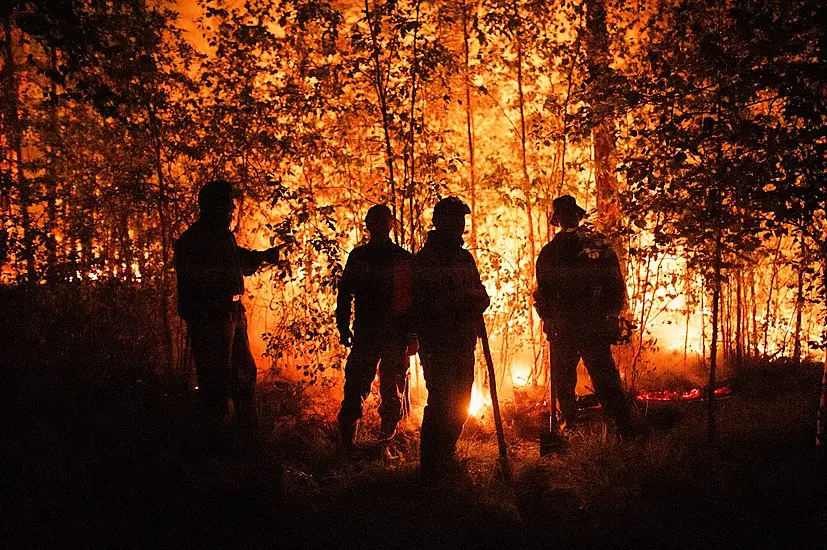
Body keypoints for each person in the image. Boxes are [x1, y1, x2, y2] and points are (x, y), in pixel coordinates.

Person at [174, 179, 284, 434]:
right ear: (213, 206)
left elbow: (237, 261)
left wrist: (262, 256)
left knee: (243, 373)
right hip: (214, 316)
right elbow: (226, 266)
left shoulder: (220, 236)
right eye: (227, 204)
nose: (233, 208)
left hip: (232, 313)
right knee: (216, 379)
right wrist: (258, 258)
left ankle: (244, 433)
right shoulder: (194, 241)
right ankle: (218, 439)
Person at [534, 195, 633, 436]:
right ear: (556, 219)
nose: (567, 218)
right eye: (562, 214)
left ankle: (623, 430)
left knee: (606, 380)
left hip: (592, 327)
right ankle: (569, 430)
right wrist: (548, 318)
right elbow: (542, 293)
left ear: (578, 216)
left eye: (570, 214)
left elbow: (615, 286)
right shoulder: (549, 254)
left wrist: (610, 315)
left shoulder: (597, 248)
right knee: (564, 384)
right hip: (564, 328)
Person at [413, 197, 489, 475]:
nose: (460, 226)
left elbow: (480, 292)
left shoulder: (464, 258)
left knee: (460, 403)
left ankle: (446, 455)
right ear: (438, 222)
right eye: (454, 220)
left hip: (463, 343)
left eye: (461, 220)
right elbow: (423, 304)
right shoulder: (425, 260)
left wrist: (477, 298)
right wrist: (461, 299)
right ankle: (431, 466)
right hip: (438, 344)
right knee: (441, 403)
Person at [336, 205, 417, 446]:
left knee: (389, 393)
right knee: (358, 388)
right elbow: (345, 293)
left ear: (388, 225)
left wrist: (412, 334)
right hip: (373, 334)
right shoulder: (367, 257)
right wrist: (342, 324)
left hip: (389, 335)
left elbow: (412, 299)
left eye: (381, 222)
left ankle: (383, 445)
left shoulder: (397, 258)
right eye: (376, 222)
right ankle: (352, 446)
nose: (379, 227)